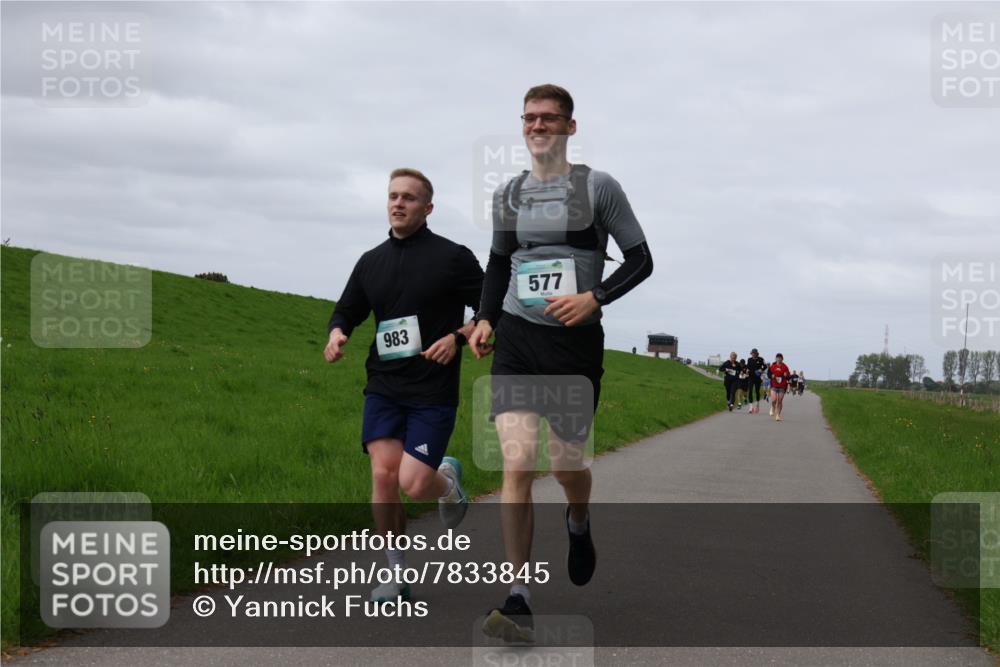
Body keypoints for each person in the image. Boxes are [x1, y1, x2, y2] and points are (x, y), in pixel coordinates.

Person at [468, 84, 653, 642]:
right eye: (529, 118)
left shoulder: (598, 187)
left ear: (570, 127)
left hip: (573, 349)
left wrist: (594, 297)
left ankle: (578, 518)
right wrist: (484, 319)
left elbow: (641, 260)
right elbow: (499, 263)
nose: (538, 126)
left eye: (549, 118)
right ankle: (518, 596)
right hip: (519, 344)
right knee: (518, 464)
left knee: (568, 465)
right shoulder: (508, 195)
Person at [325, 168, 484, 603]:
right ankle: (395, 576)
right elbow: (347, 309)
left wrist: (459, 337)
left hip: (432, 388)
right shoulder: (370, 260)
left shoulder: (453, 257)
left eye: (409, 198)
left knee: (415, 483)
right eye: (393, 196)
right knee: (383, 474)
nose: (399, 203)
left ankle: (447, 483)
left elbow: (490, 306)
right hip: (384, 384)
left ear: (427, 207)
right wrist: (337, 333)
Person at [768, 353, 791, 421]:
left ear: (782, 359)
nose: (779, 359)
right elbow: (769, 373)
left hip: (782, 385)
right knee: (774, 400)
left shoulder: (785, 367)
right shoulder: (773, 366)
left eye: (780, 358)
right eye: (777, 357)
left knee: (780, 400)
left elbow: (788, 376)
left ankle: (778, 415)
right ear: (776, 358)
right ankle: (772, 407)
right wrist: (771, 376)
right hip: (774, 385)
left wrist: (786, 374)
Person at [746, 348, 766, 413]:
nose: (753, 354)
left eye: (754, 353)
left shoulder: (761, 359)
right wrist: (747, 370)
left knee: (757, 391)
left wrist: (761, 369)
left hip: (757, 378)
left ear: (757, 353)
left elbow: (765, 366)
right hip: (751, 377)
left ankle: (757, 404)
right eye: (752, 353)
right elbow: (747, 367)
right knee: (750, 391)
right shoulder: (749, 360)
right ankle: (751, 407)